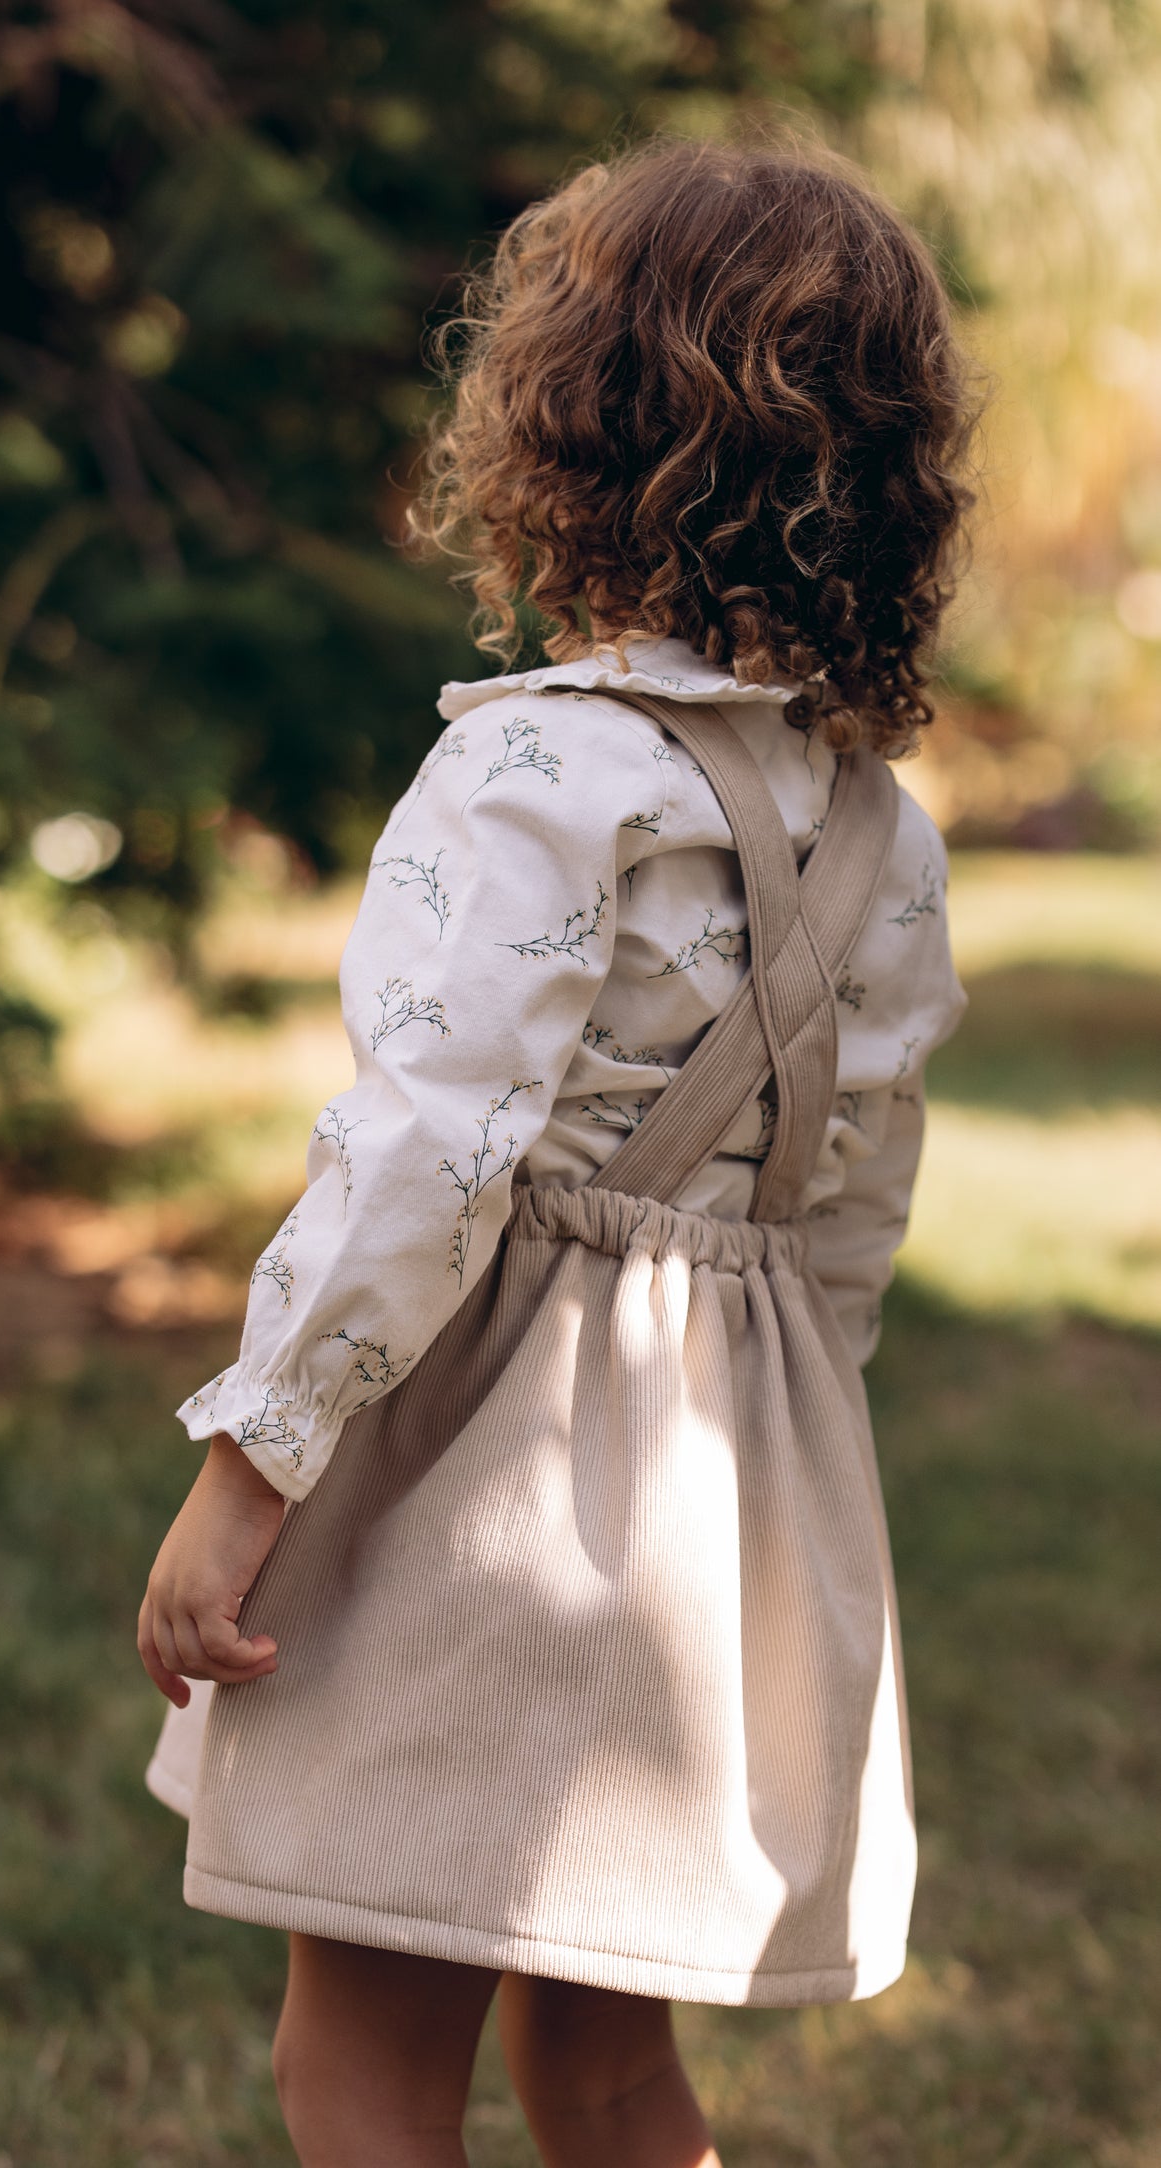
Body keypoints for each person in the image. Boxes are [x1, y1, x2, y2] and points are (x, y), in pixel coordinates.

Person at [139, 133, 977, 2168]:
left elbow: (426, 1158)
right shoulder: (883, 825)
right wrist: (789, 1464)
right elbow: (850, 1200)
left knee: (359, 2057)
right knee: (606, 2067)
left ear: (565, 433)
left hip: (477, 1489)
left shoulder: (530, 763)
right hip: (718, 1500)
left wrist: (251, 1468)